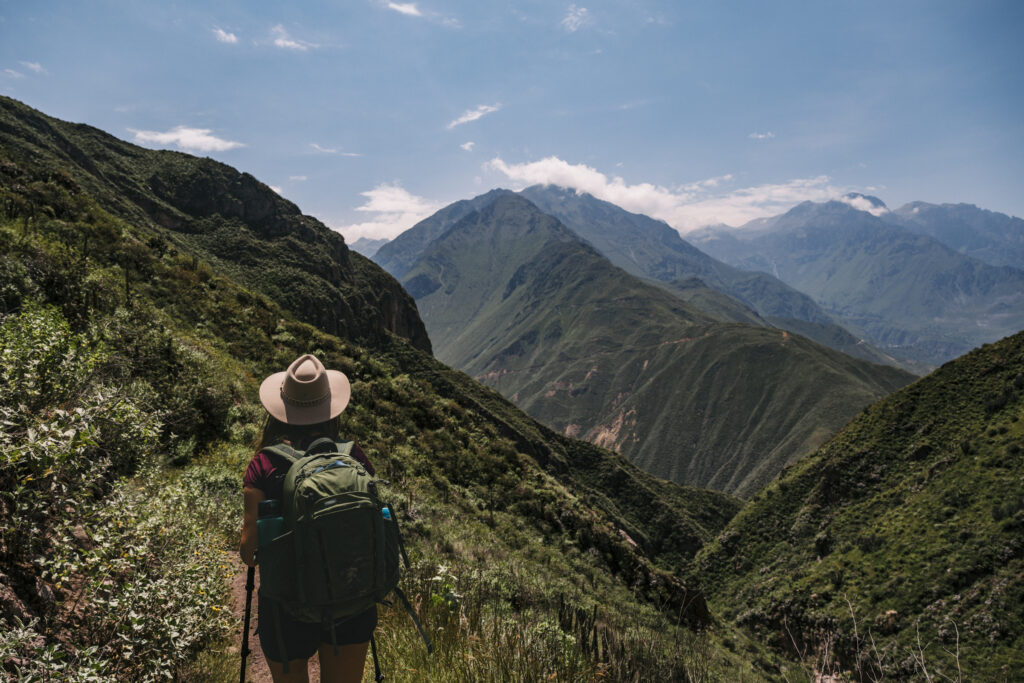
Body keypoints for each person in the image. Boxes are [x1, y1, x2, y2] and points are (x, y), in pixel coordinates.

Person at [240, 354, 378, 683]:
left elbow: (249, 552)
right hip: (350, 601)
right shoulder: (352, 457)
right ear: (329, 407)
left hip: (285, 607)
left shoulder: (263, 466)